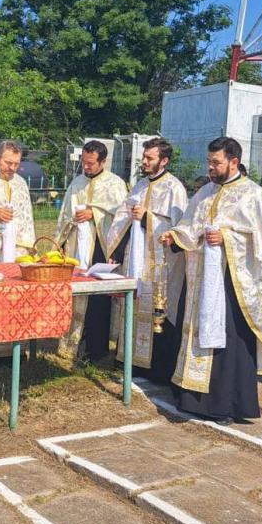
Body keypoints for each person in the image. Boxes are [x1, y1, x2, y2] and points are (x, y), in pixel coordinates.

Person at [161, 136, 262, 424]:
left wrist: (227, 238)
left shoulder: (253, 195)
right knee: (196, 332)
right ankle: (192, 399)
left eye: (216, 162)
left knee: (229, 339)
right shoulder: (204, 192)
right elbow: (191, 226)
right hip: (201, 278)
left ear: (234, 162)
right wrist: (176, 237)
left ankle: (224, 404)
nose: (211, 167)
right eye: (209, 162)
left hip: (233, 282)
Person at [107, 138, 188, 383]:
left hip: (161, 265)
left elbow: (178, 228)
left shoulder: (175, 188)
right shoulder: (139, 186)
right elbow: (122, 218)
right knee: (133, 305)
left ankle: (156, 370)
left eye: (149, 158)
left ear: (164, 161)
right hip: (136, 258)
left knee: (157, 309)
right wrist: (117, 248)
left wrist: (147, 217)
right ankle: (129, 361)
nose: (144, 162)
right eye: (144, 157)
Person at [55, 140, 128, 361]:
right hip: (77, 247)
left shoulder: (115, 184)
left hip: (101, 248)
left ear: (103, 161)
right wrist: (72, 222)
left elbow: (121, 218)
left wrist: (94, 213)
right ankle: (72, 344)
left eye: (91, 163)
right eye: (84, 163)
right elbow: (64, 217)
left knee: (99, 299)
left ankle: (96, 349)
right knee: (75, 296)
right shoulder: (76, 183)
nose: (86, 167)